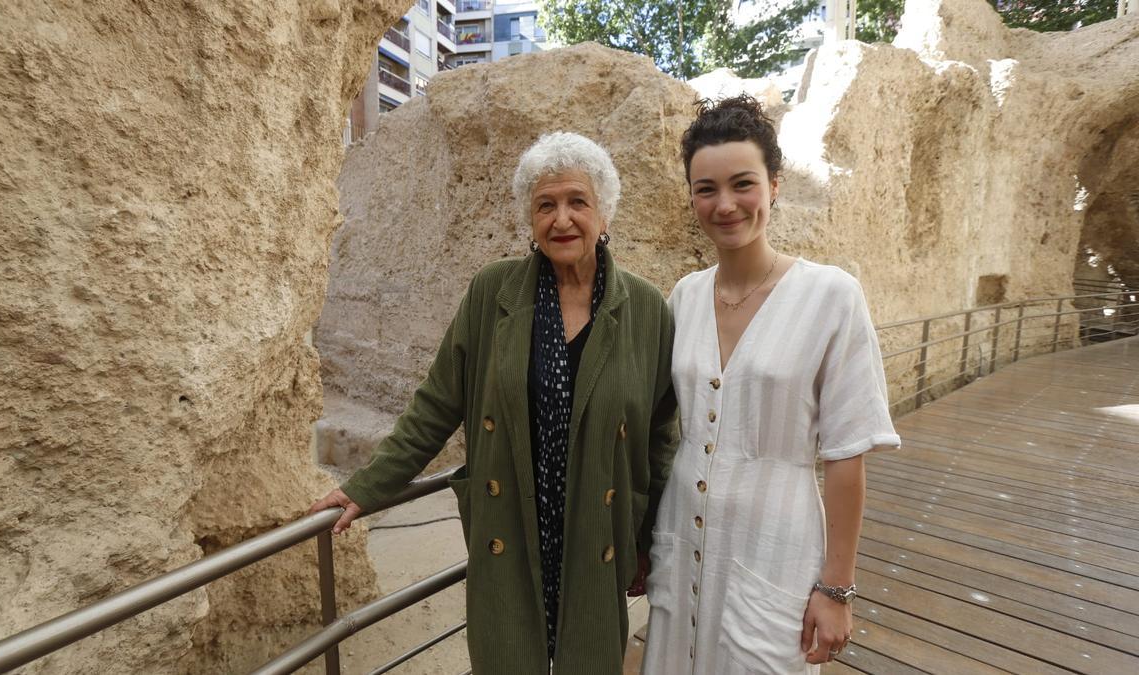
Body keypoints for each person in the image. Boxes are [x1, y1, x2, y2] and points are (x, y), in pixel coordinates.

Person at [310, 132, 679, 674]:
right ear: (529, 221)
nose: (562, 220)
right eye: (545, 205)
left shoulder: (647, 309)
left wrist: (647, 541)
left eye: (578, 202)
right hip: (512, 523)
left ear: (604, 216)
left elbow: (659, 438)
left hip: (595, 533)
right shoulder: (494, 293)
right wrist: (367, 487)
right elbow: (437, 404)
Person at [640, 96, 901, 674]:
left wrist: (837, 588)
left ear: (775, 185)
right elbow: (655, 421)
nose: (725, 204)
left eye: (743, 184)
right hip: (681, 529)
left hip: (775, 540)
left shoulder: (831, 296)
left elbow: (845, 453)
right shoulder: (683, 297)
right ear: (690, 197)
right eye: (706, 189)